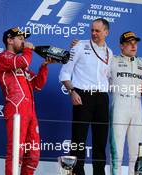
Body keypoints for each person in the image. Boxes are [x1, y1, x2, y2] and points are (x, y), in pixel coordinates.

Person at [0, 27, 53, 175]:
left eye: (24, 40)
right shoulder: (3, 58)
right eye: (20, 39)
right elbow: (23, 60)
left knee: (33, 155)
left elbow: (38, 85)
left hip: (30, 112)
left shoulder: (24, 68)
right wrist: (28, 50)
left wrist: (44, 66)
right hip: (16, 111)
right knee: (16, 153)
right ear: (9, 40)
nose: (24, 42)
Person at [59, 18, 113, 175]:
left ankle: (99, 173)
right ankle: (76, 172)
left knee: (100, 141)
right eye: (92, 30)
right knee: (78, 140)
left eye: (97, 30)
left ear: (106, 32)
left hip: (102, 98)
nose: (94, 33)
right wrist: (72, 91)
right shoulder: (79, 46)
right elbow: (65, 73)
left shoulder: (110, 52)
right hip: (82, 96)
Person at [109, 31, 142, 175]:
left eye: (135, 43)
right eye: (129, 43)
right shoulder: (112, 61)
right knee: (117, 152)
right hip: (119, 105)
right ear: (121, 46)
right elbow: (95, 69)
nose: (133, 46)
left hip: (137, 107)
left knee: (137, 153)